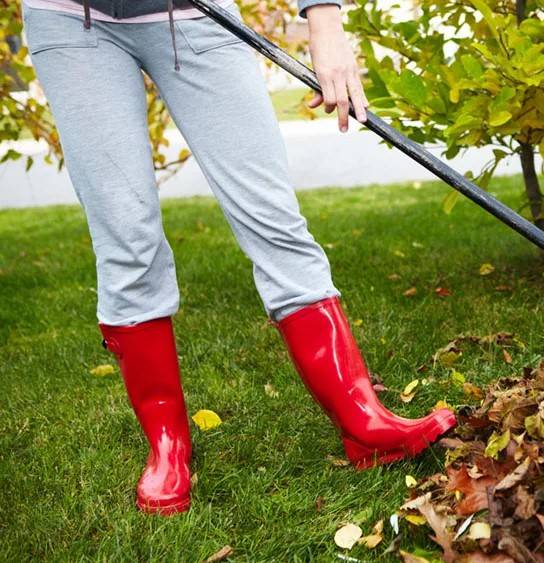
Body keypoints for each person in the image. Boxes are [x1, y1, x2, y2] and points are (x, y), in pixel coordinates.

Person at [22, 0, 456, 515]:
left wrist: (325, 22)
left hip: (195, 14)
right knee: (127, 236)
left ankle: (364, 423)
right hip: (72, 18)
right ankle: (168, 450)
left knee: (272, 217)